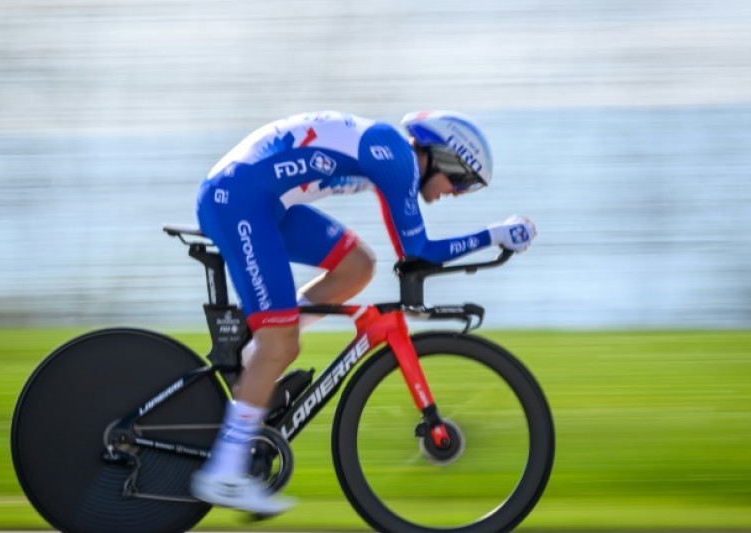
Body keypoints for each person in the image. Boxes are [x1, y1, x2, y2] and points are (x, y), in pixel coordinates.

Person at [190, 110, 537, 514]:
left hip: (262, 200)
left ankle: (258, 350)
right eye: (460, 179)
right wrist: (495, 235)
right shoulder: (396, 158)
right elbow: (418, 251)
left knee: (357, 266)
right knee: (281, 345)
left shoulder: (391, 158)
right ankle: (224, 472)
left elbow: (408, 253)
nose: (458, 193)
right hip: (240, 200)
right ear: (440, 157)